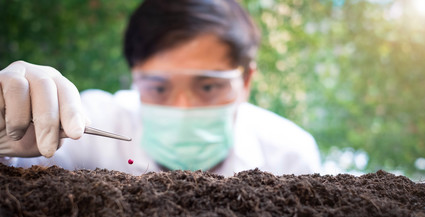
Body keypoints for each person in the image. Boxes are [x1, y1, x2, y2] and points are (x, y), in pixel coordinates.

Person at [0, 0, 321, 177]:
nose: (181, 108)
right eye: (159, 88)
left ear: (246, 81)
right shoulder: (89, 124)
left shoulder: (290, 157)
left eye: (208, 86)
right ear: (135, 77)